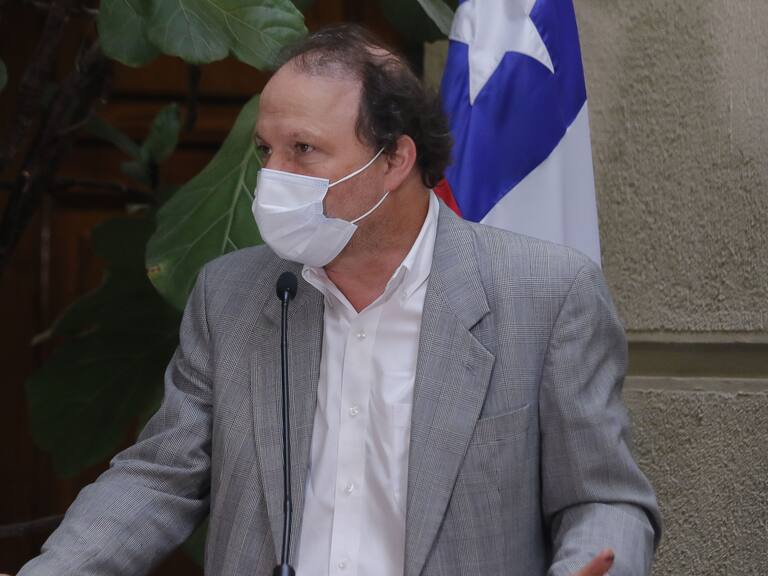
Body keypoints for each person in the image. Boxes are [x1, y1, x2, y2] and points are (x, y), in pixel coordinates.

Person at [14, 24, 660, 576]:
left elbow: (601, 499)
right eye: (266, 151)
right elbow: (161, 476)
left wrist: (589, 564)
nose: (273, 178)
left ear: (394, 160)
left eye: (304, 151)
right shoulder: (231, 293)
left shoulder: (544, 293)